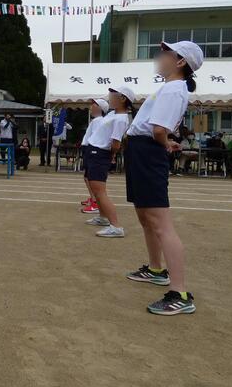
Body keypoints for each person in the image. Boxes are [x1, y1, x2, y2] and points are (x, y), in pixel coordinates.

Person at [124, 40, 203, 315]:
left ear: (180, 62)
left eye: (166, 53)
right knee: (146, 217)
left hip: (147, 151)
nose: (160, 56)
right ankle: (156, 269)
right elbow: (160, 131)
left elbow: (159, 129)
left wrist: (164, 142)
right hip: (141, 150)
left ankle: (180, 293)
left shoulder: (173, 89)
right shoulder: (170, 87)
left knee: (160, 222)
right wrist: (166, 142)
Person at [84, 87, 133, 237]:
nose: (109, 98)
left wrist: (110, 155)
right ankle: (103, 218)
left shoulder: (121, 119)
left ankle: (116, 226)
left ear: (122, 99)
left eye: (112, 96)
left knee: (99, 191)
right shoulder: (113, 114)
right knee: (96, 189)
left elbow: (116, 143)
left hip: (100, 153)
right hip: (95, 151)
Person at [79, 99, 109, 214]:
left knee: (89, 177)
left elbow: (96, 137)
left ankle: (95, 201)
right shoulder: (97, 120)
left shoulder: (98, 121)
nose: (91, 107)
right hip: (89, 148)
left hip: (90, 149)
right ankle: (93, 199)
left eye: (94, 105)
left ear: (100, 108)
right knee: (87, 176)